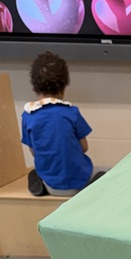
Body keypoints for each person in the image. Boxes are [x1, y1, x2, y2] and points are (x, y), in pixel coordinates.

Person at [21, 51, 103, 196]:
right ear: (64, 86)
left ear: (34, 86)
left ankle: (40, 182)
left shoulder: (28, 116)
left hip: (51, 184)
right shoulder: (71, 112)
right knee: (106, 173)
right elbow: (84, 147)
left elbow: (34, 152)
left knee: (36, 169)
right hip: (80, 183)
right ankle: (93, 184)